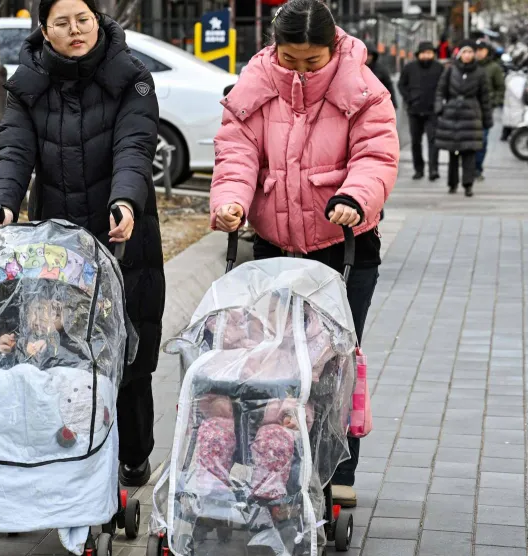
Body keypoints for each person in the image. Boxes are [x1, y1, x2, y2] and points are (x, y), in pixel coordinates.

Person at [208, 0, 399, 508]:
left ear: (333, 49)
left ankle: (338, 470)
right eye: (289, 59)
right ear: (275, 48)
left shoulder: (364, 90)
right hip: (274, 248)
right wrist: (230, 201)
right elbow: (237, 151)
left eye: (312, 61)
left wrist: (355, 199)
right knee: (272, 362)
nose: (299, 70)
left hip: (345, 248)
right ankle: (276, 462)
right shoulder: (255, 83)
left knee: (333, 363)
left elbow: (376, 157)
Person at [0, 0, 165, 488]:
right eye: (61, 23)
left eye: (82, 19)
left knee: (128, 349)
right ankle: (64, 455)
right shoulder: (27, 83)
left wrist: (126, 202)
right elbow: (14, 148)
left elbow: (135, 146)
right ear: (44, 29)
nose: (75, 31)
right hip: (57, 238)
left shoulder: (131, 77)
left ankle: (132, 452)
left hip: (123, 233)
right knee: (56, 348)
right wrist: (3, 201)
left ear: (98, 19)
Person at [435, 40, 492, 197]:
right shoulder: (451, 70)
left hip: (471, 115)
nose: (467, 55)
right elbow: (441, 90)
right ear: (460, 54)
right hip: (452, 114)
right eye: (465, 52)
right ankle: (452, 183)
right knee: (453, 152)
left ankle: (468, 184)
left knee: (469, 152)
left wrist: (487, 119)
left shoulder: (480, 73)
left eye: (470, 52)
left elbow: (485, 97)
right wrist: (440, 108)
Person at [399, 41, 444, 181]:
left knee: (433, 141)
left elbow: (444, 86)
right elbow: (401, 85)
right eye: (424, 53)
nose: (427, 56)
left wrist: (440, 103)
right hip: (414, 110)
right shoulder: (409, 68)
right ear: (419, 54)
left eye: (430, 53)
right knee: (415, 142)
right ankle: (418, 169)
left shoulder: (439, 68)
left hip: (432, 111)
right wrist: (409, 98)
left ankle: (433, 169)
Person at [474, 40, 504, 180]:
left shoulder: (494, 68)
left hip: (485, 109)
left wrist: (493, 102)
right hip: (469, 110)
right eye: (477, 50)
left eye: (482, 50)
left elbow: (500, 88)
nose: (479, 52)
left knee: (483, 139)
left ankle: (477, 168)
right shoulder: (471, 66)